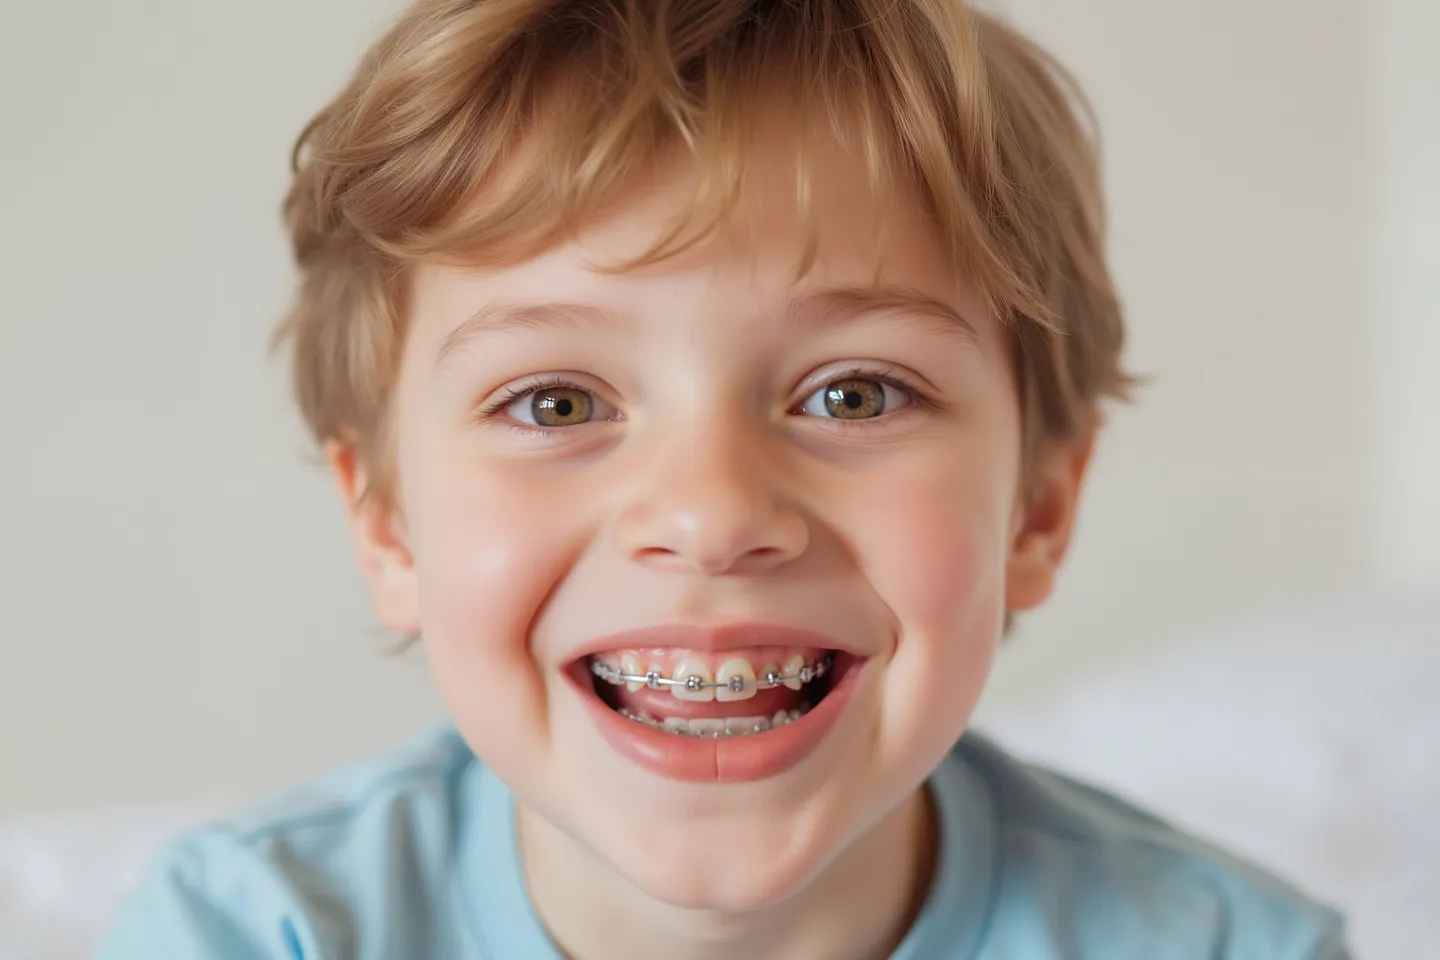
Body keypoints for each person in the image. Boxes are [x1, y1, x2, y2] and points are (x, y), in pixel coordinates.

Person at [97, 1, 1351, 957]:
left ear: (1039, 506)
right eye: (557, 402)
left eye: (853, 394)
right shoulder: (252, 933)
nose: (710, 516)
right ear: (387, 529)